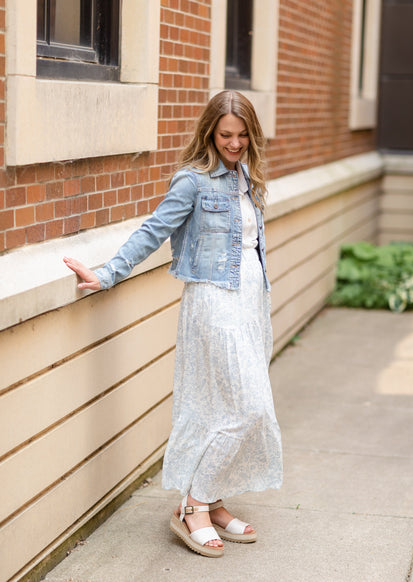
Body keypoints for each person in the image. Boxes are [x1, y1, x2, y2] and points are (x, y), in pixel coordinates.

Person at [63, 90, 283, 558]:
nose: (236, 143)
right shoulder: (193, 181)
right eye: (226, 135)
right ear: (209, 131)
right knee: (249, 406)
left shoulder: (248, 177)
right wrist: (106, 273)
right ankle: (194, 505)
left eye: (244, 135)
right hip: (212, 300)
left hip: (249, 301)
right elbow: (153, 230)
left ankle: (213, 499)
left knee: (217, 404)